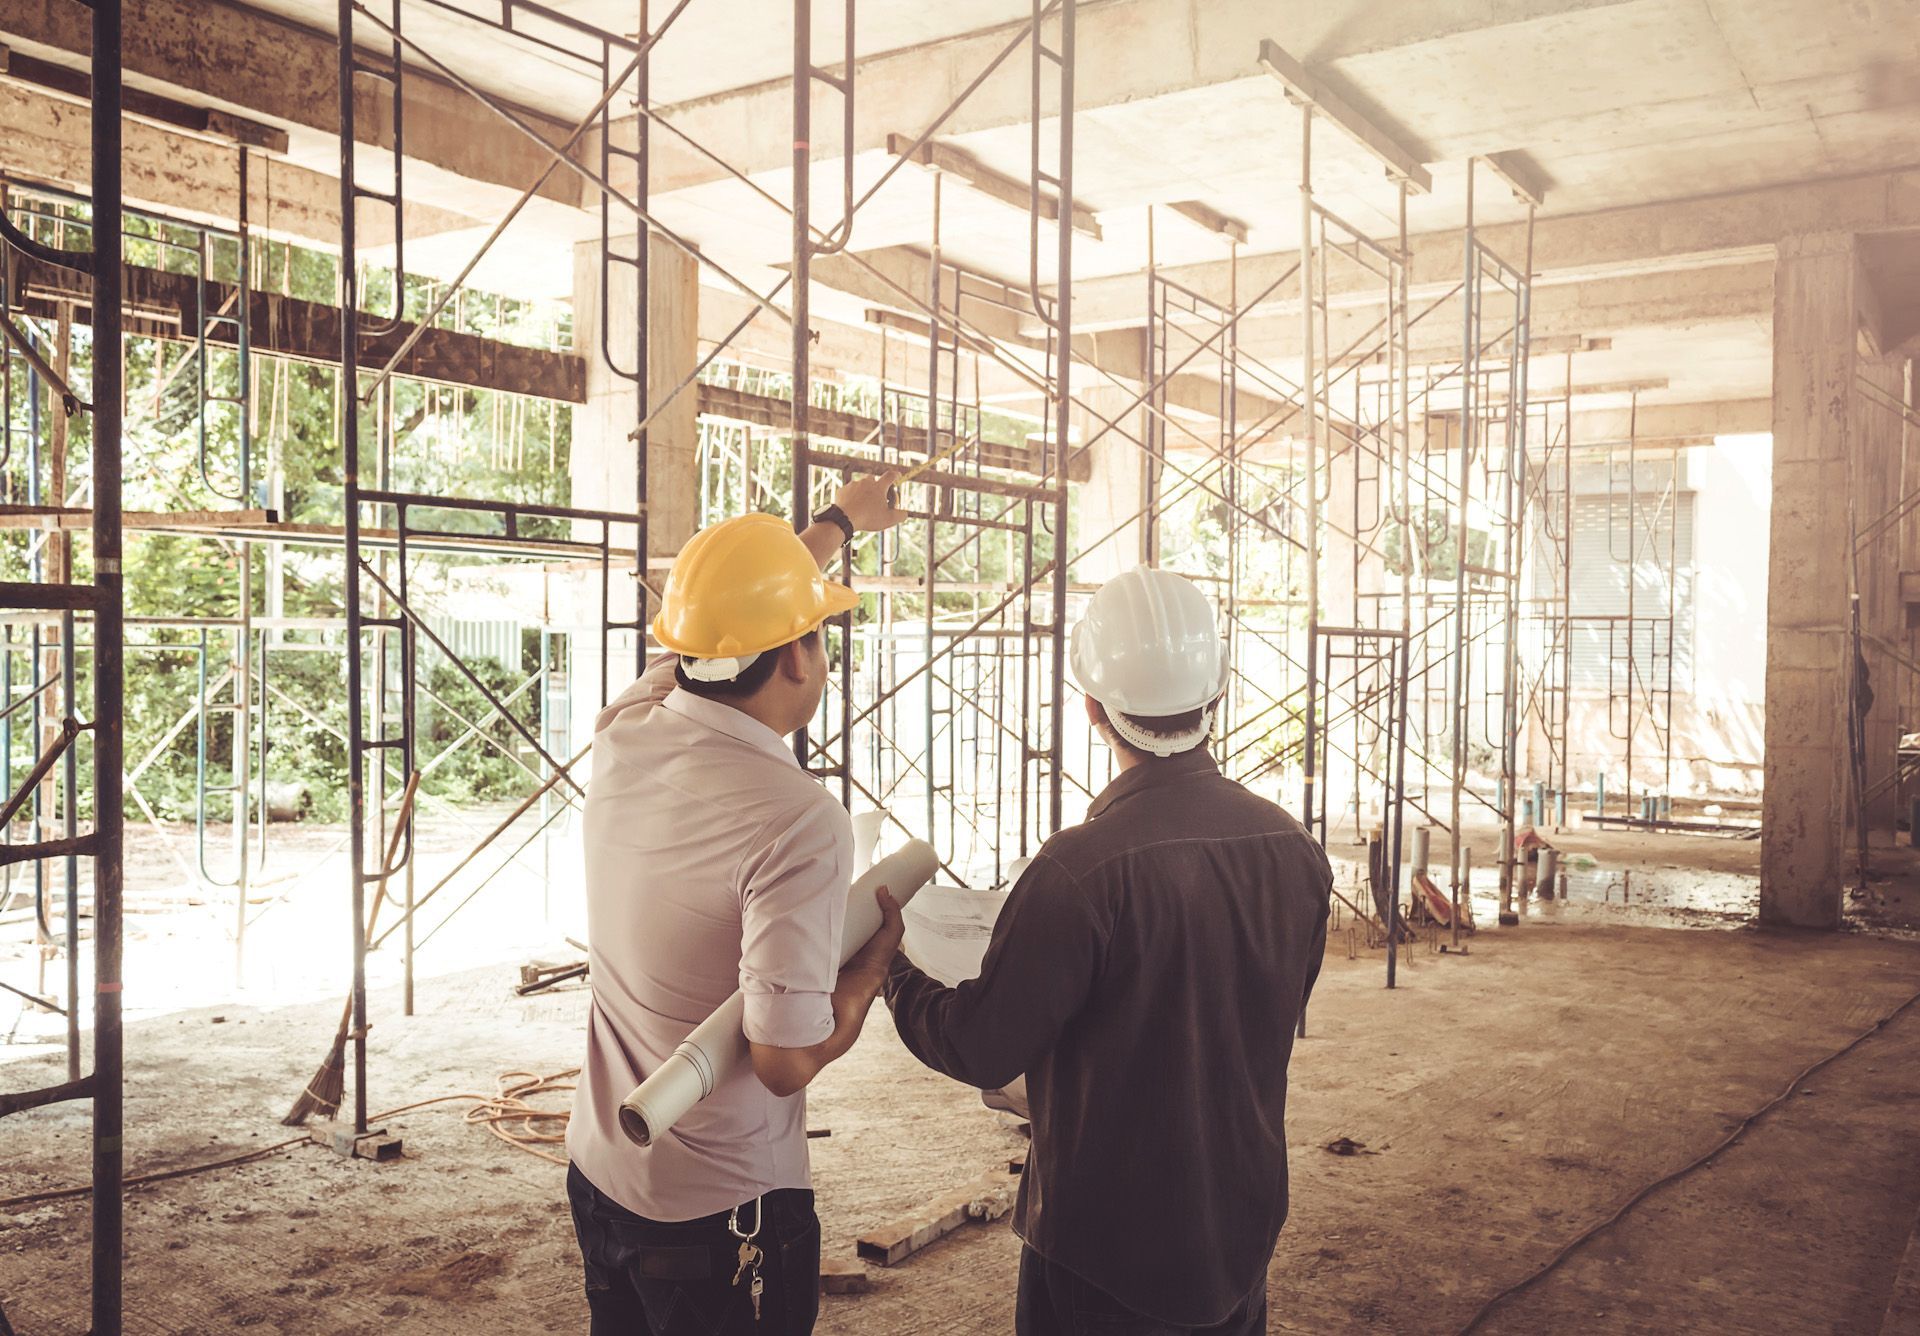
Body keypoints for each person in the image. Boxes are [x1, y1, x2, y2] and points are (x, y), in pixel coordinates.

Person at [885, 565, 1333, 1336]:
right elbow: (1259, 1015)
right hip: (1237, 1233)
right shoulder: (1295, 851)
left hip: (1104, 1251)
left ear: (1092, 705)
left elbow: (980, 1047)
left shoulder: (1079, 870)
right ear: (1216, 697)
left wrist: (891, 969)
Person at [565, 476, 909, 1335]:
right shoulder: (798, 821)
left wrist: (833, 527)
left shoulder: (628, 727)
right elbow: (782, 1060)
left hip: (602, 1173)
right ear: (798, 656)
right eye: (819, 635)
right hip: (721, 1217)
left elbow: (713, 630)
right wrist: (867, 972)